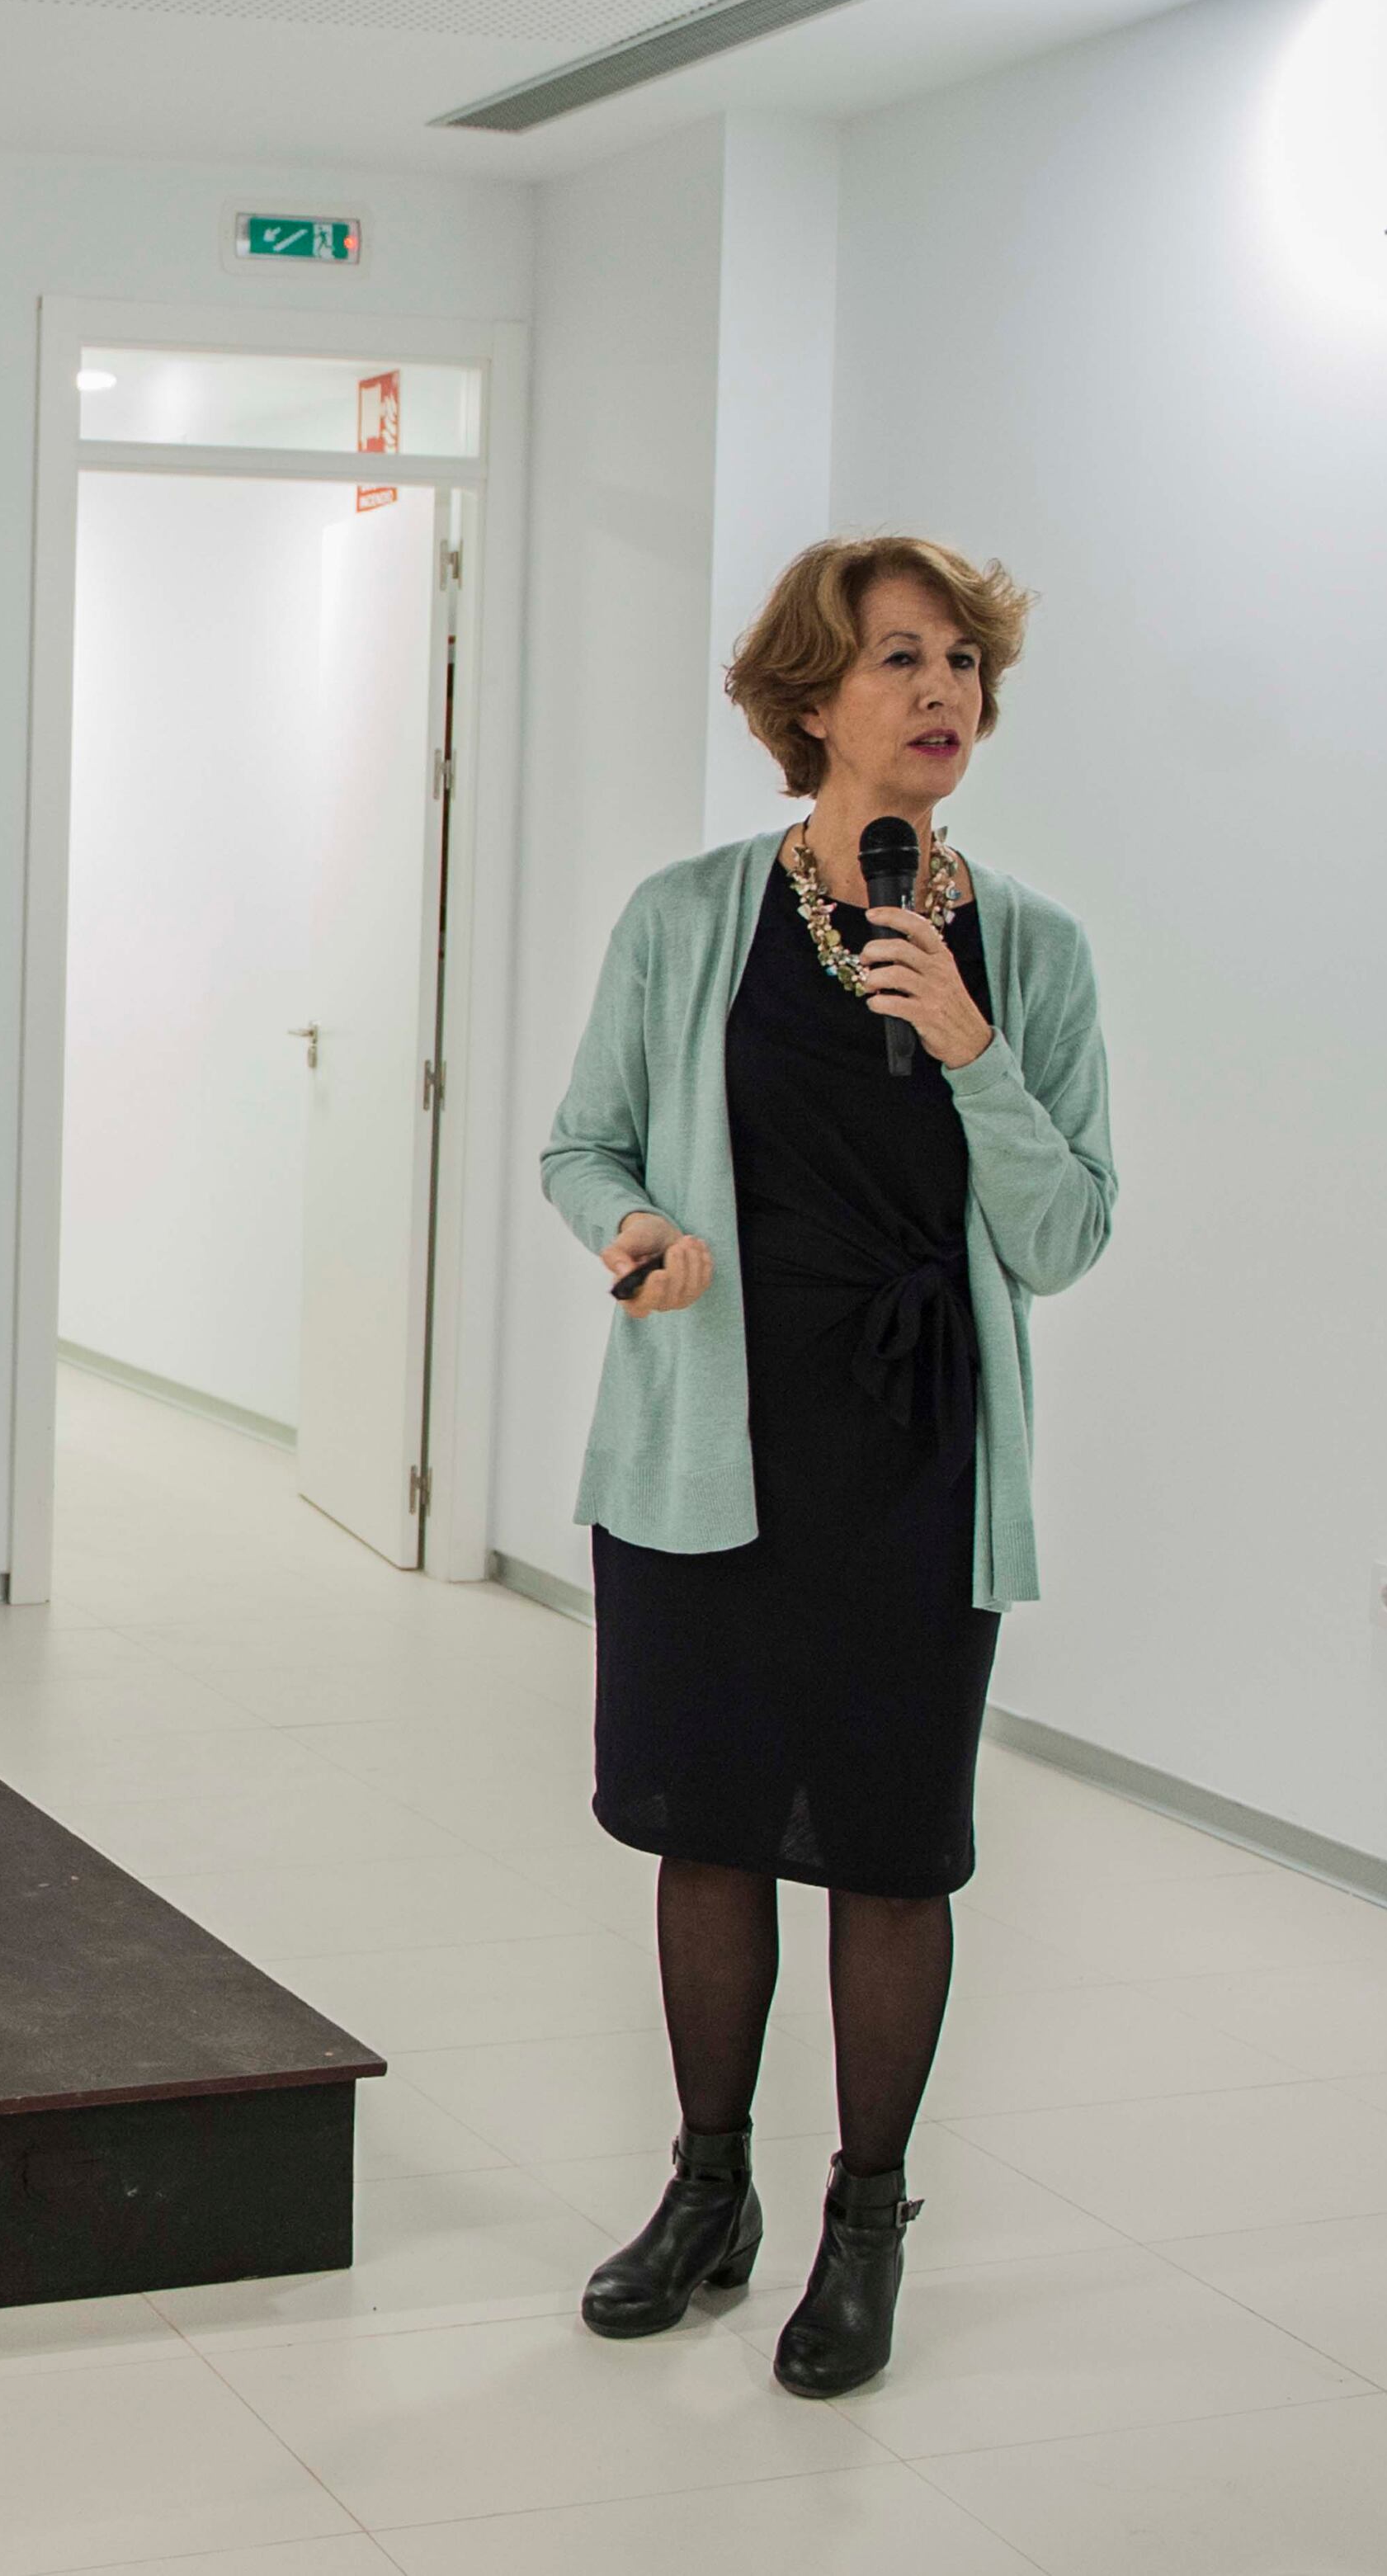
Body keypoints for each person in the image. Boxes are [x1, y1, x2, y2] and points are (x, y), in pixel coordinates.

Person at [544, 537, 1116, 2397]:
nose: (943, 693)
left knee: (886, 1848)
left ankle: (861, 2224)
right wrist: (640, 1232)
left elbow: (1064, 1233)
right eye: (898, 660)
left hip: (911, 1457)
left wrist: (967, 1046)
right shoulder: (686, 915)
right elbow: (582, 1146)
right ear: (809, 701)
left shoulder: (1026, 948)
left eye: (962, 662)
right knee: (704, 1826)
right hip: (711, 1436)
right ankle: (706, 2193)